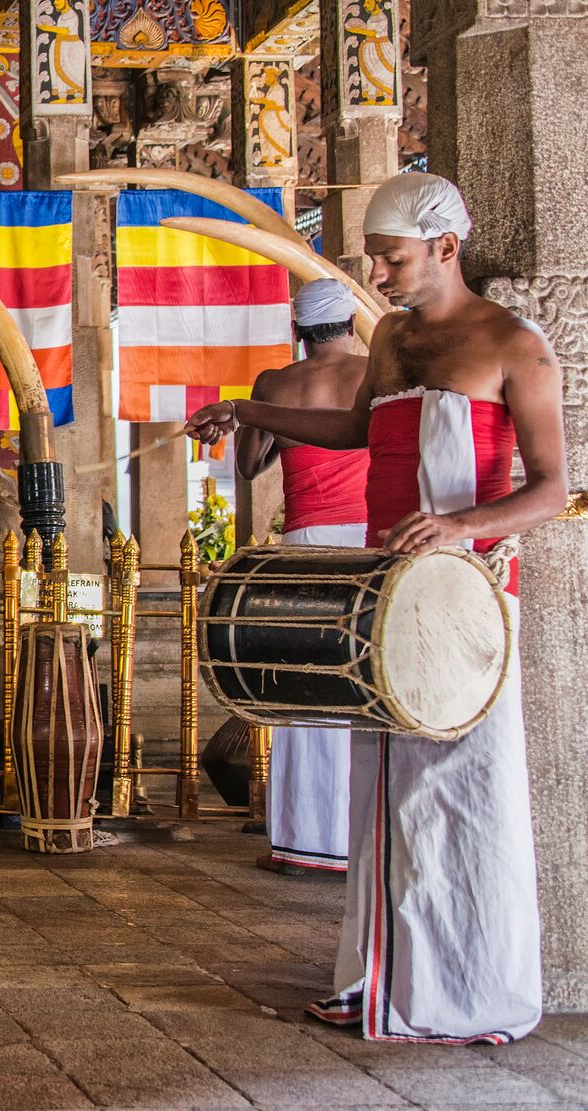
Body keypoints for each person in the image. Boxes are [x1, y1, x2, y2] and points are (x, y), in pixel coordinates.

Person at [187, 172, 564, 1045]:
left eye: (391, 259)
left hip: (465, 598)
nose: (378, 275)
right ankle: (380, 980)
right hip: (385, 591)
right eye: (373, 259)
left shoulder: (516, 345)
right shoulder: (388, 337)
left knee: (460, 788)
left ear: (446, 248)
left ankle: (467, 994)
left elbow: (552, 489)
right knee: (382, 788)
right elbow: (359, 430)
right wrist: (247, 408)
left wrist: (459, 525)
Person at [234, 279, 369, 877]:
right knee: (363, 683)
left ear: (297, 331)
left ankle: (303, 843)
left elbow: (248, 464)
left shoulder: (275, 384)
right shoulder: (374, 374)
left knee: (304, 686)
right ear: (351, 326)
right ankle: (361, 838)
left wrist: (277, 434)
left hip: (307, 544)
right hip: (368, 543)